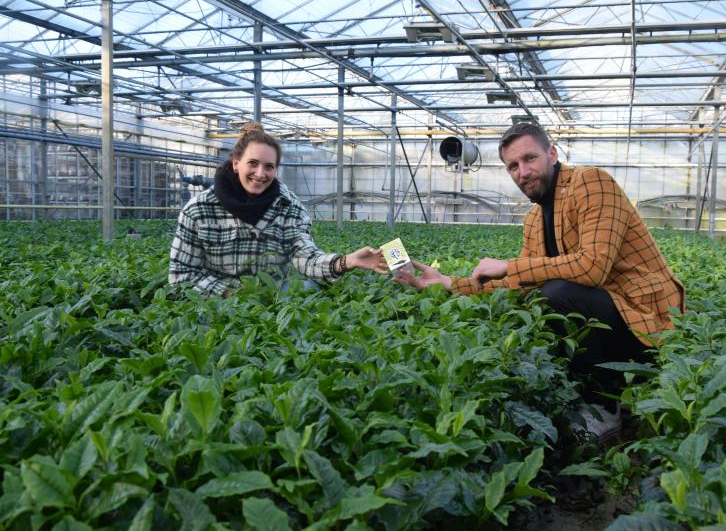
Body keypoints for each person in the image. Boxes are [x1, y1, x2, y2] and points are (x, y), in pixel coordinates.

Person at [395, 122, 684, 441]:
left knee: (556, 293)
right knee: (538, 297)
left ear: (552, 153)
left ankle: (603, 406)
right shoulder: (534, 218)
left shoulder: (591, 182)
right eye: (513, 166)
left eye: (530, 158)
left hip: (645, 318)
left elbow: (592, 268)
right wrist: (449, 282)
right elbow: (520, 283)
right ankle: (584, 389)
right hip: (607, 314)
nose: (523, 171)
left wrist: (508, 265)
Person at [169, 122, 385, 297]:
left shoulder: (288, 207)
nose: (260, 173)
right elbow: (181, 276)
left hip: (273, 296)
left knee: (310, 289)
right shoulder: (199, 210)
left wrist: (346, 262)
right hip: (216, 301)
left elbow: (305, 258)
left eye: (269, 166)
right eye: (252, 163)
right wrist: (229, 294)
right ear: (236, 164)